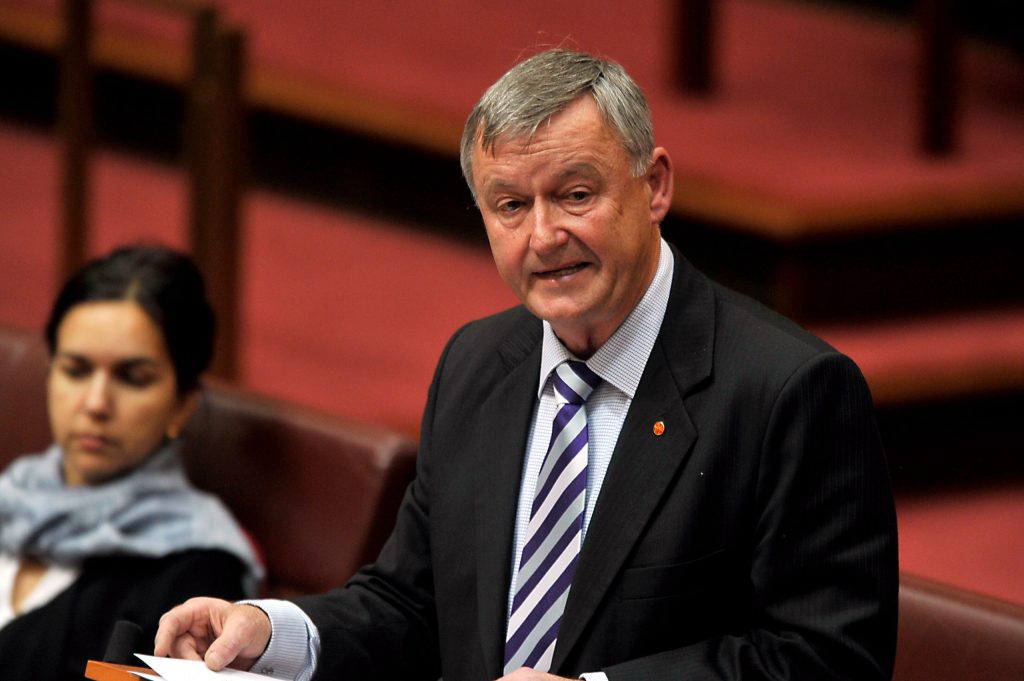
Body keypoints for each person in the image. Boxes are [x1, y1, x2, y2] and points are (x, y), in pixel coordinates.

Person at [155, 49, 898, 680]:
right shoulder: (478, 363)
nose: (543, 236)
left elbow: (826, 657)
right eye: (509, 205)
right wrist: (270, 630)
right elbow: (414, 601)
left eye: (575, 194)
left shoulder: (789, 392)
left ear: (655, 185)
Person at [0, 245, 263, 681]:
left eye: (132, 378)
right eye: (76, 370)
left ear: (182, 405)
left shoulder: (196, 573)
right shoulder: (10, 496)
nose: (96, 403)